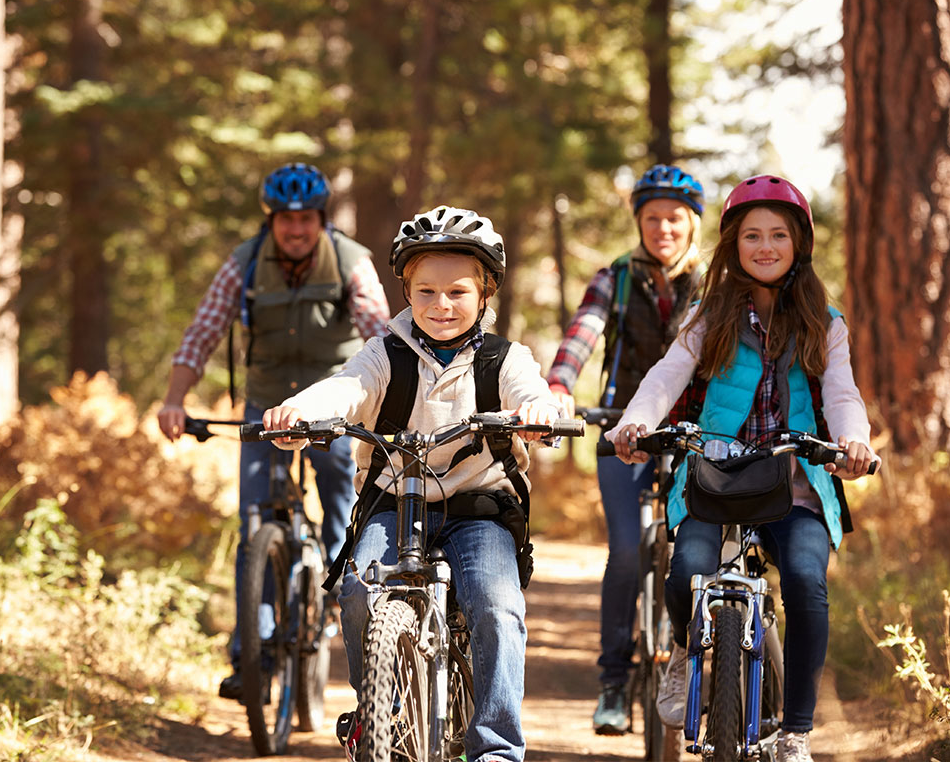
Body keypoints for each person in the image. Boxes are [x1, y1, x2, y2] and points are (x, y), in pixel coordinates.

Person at [265, 205, 559, 762]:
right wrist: (296, 414)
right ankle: (380, 714)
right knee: (359, 589)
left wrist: (540, 414)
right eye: (425, 291)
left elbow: (531, 393)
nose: (440, 305)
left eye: (457, 292)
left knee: (497, 606)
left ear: (485, 292)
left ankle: (496, 748)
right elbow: (345, 387)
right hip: (394, 505)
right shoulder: (385, 354)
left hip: (481, 510)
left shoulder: (504, 359)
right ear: (405, 291)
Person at [606, 174, 880, 762]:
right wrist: (635, 422)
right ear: (731, 244)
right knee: (688, 574)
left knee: (807, 582)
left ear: (798, 243)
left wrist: (852, 440)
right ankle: (685, 650)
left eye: (778, 235)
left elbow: (842, 394)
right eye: (751, 235)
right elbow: (667, 374)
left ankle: (797, 732)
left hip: (795, 481)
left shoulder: (825, 322)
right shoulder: (710, 314)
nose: (764, 246)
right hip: (713, 476)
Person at [156, 162, 390, 700]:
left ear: (320, 219)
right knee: (255, 521)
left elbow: (380, 334)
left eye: (305, 218)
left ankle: (342, 607)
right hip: (264, 406)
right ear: (271, 221)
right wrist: (174, 400)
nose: (296, 229)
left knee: (343, 508)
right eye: (285, 220)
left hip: (331, 403)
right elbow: (201, 334)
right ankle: (252, 656)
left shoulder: (352, 262)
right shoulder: (243, 263)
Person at [545, 163, 706, 734]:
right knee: (626, 552)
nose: (663, 228)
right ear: (639, 222)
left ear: (693, 224)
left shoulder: (715, 281)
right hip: (620, 428)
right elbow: (583, 332)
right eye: (652, 218)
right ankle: (614, 682)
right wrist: (561, 385)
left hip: (696, 432)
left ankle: (709, 662)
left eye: (674, 219)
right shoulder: (613, 276)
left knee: (700, 551)